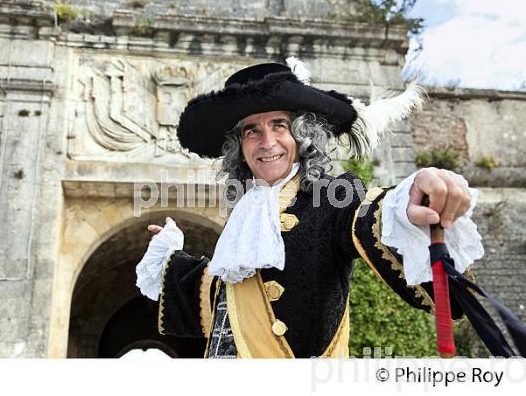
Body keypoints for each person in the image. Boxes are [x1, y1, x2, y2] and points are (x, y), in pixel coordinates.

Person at [135, 58, 484, 358]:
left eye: (279, 126)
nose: (267, 142)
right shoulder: (245, 215)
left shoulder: (332, 196)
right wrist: (169, 255)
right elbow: (227, 303)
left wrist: (409, 204)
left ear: (301, 136)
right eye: (252, 131)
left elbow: (371, 216)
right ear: (239, 147)